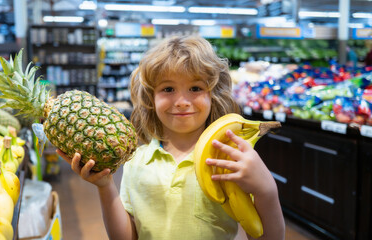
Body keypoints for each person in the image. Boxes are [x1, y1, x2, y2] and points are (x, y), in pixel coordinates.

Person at [57, 35, 285, 240]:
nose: (182, 101)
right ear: (151, 97)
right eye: (168, 89)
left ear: (213, 95)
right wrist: (105, 187)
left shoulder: (227, 159)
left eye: (195, 88)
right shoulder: (136, 160)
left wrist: (267, 190)